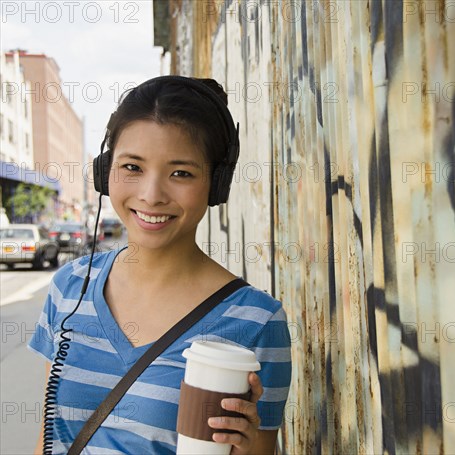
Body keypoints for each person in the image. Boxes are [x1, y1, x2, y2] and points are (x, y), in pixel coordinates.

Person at [29, 76, 292, 454]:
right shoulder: (70, 287)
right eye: (132, 167)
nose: (151, 195)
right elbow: (46, 439)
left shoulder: (256, 322)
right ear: (106, 172)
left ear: (217, 184)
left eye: (181, 173)